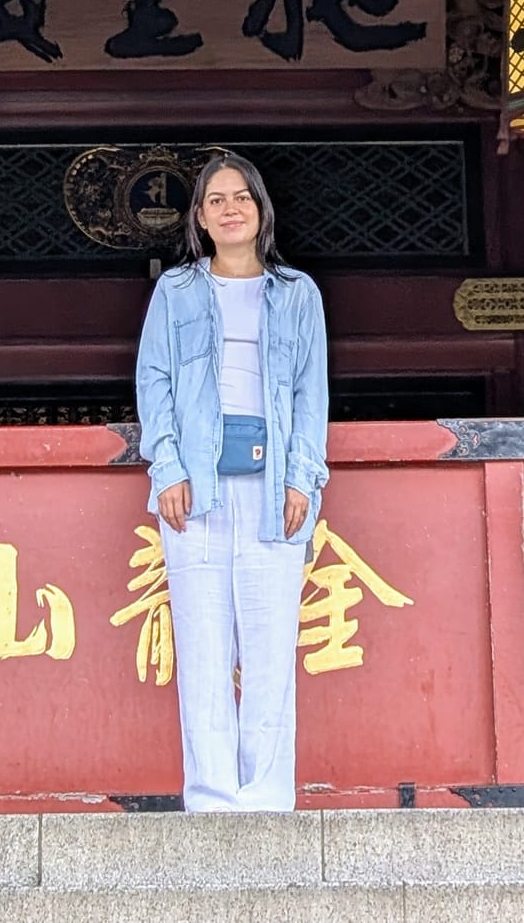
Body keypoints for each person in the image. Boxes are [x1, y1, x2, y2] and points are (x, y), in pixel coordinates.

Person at [136, 150, 329, 812]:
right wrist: (166, 467)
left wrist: (303, 478)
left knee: (272, 649)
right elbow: (153, 381)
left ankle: (269, 796)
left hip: (273, 488)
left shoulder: (298, 294)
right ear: (200, 218)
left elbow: (311, 393)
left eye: (241, 195)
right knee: (204, 649)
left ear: (261, 209)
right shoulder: (178, 293)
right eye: (215, 199)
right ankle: (213, 797)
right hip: (196, 491)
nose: (230, 207)